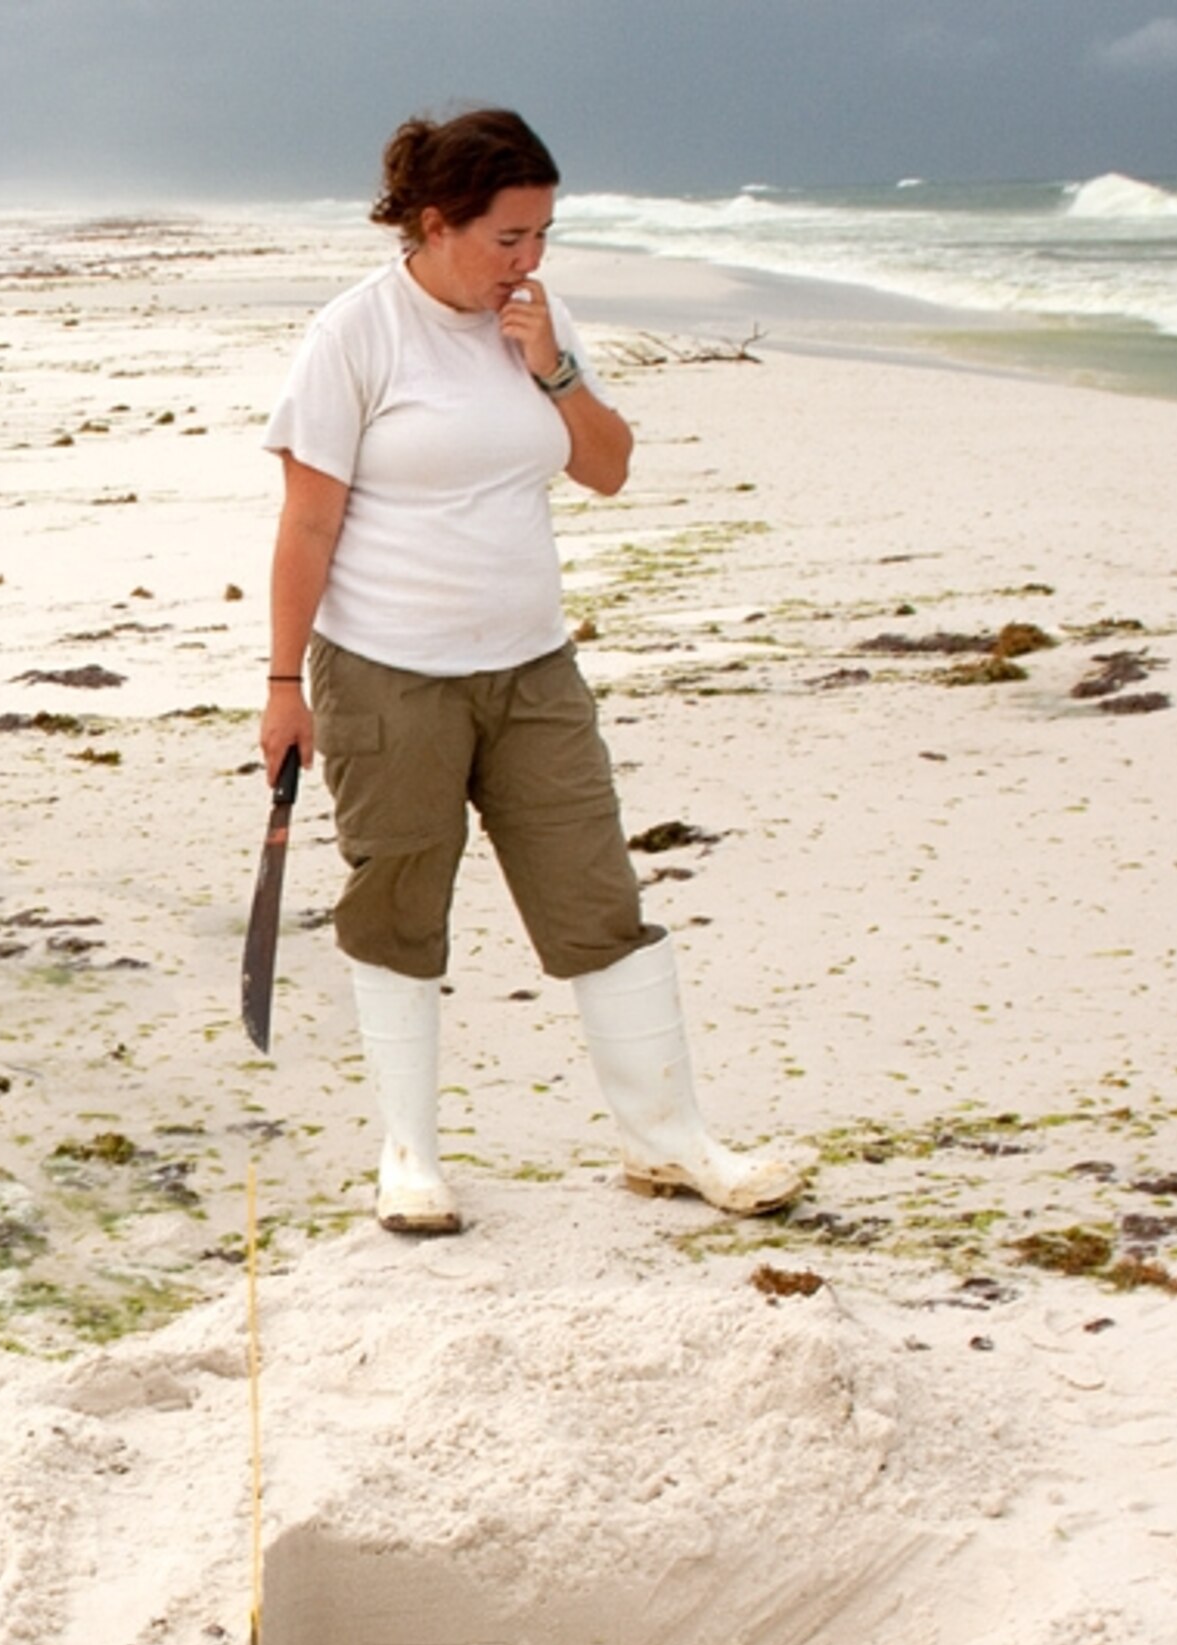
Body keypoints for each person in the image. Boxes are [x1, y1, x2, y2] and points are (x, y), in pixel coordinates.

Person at [257, 106, 801, 1235]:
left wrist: (549, 365)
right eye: (510, 237)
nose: (530, 259)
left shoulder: (535, 323)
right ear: (436, 222)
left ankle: (671, 1143)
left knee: (598, 898)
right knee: (399, 903)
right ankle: (409, 1155)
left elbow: (607, 468)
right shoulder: (354, 334)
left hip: (534, 671)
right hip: (387, 672)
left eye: (545, 233)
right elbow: (306, 526)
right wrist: (282, 687)